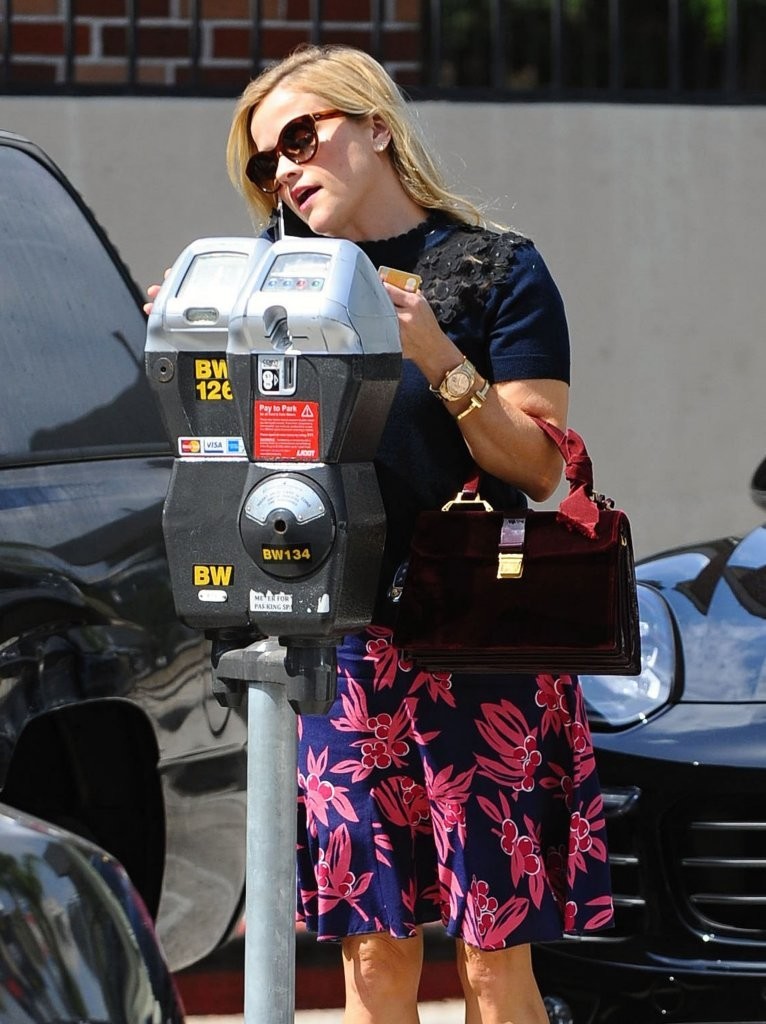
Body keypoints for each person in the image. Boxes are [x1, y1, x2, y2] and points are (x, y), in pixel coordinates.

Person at [151, 43, 614, 1024]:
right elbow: (229, 451)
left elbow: (540, 469)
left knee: (491, 959)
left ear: (375, 126)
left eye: (299, 138)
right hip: (340, 638)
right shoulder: (265, 288)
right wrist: (191, 347)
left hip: (477, 639)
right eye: (262, 163)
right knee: (373, 956)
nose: (282, 171)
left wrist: (436, 353)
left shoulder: (493, 267)